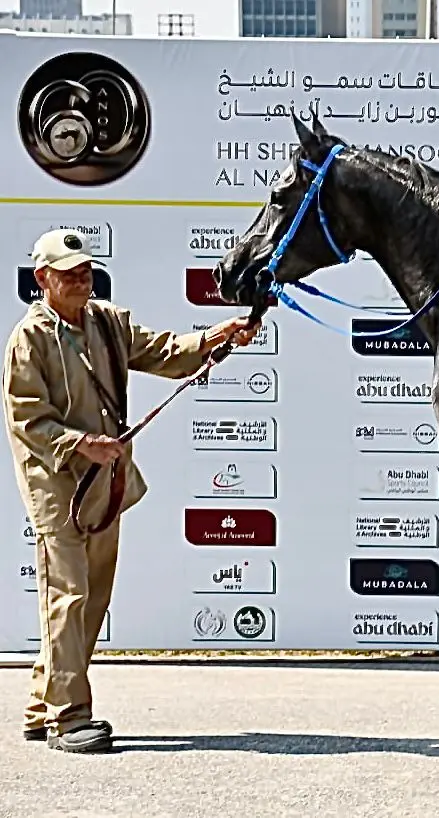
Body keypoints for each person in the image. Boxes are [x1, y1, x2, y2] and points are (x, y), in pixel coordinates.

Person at [2, 228, 260, 753]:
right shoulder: (27, 340)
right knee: (68, 594)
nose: (80, 278)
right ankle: (69, 718)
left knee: (90, 597)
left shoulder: (108, 321)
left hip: (107, 481)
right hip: (57, 483)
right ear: (42, 278)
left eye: (85, 270)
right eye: (68, 272)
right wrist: (80, 444)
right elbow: (27, 417)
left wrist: (216, 336)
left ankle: (38, 705)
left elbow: (164, 352)